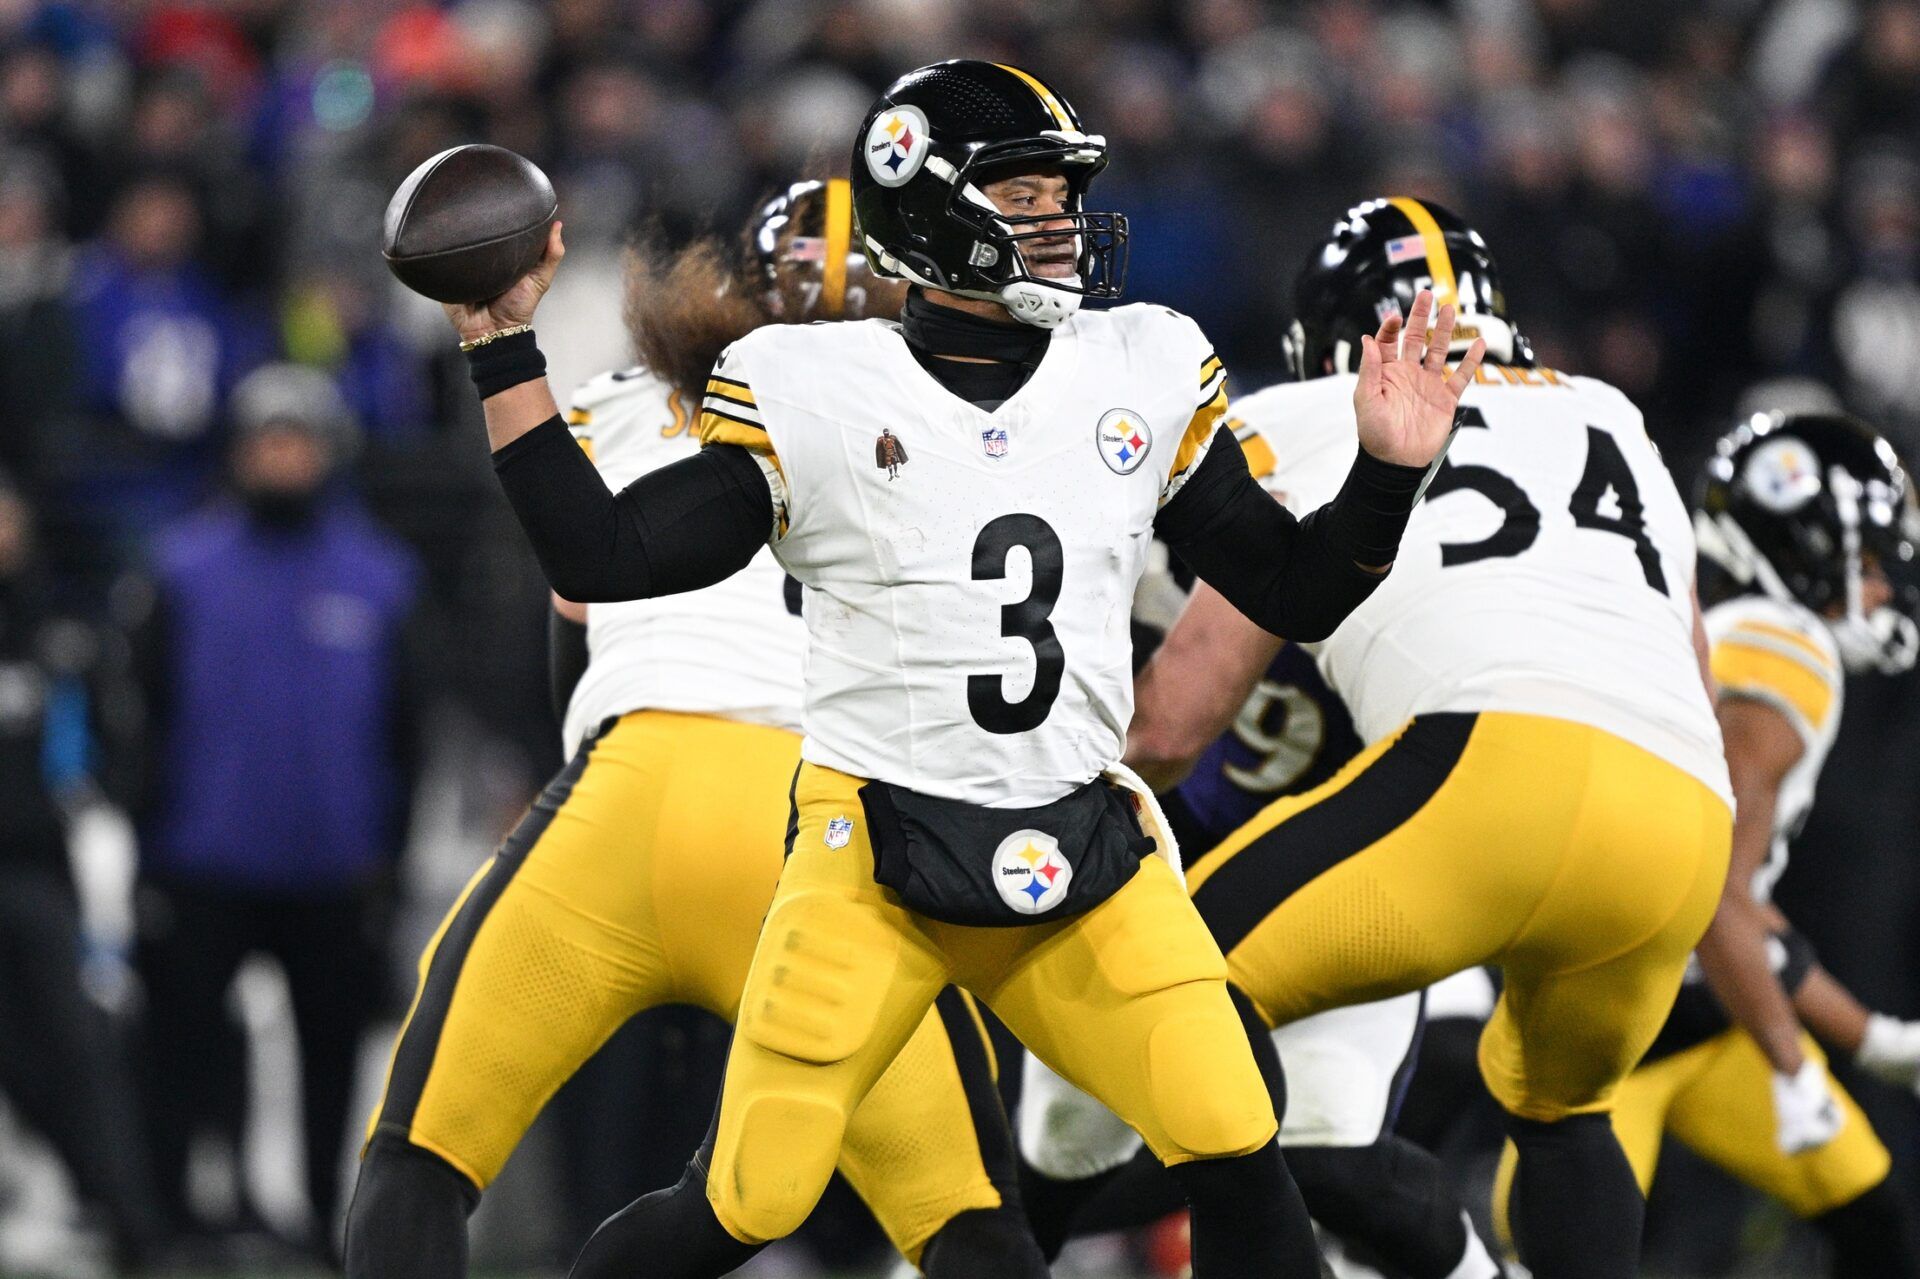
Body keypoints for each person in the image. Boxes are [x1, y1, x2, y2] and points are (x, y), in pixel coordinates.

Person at [447, 59, 1477, 1278]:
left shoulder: (1136, 365)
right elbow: (605, 553)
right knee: (752, 1193)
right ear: (929, 210)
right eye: (1024, 193)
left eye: (1061, 192)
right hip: (876, 851)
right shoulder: (814, 385)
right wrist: (505, 348)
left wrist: (1386, 471)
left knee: (1233, 1124)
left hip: (1084, 841)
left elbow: (1295, 588)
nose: (1059, 220)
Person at [345, 178, 1050, 1279]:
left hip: (628, 788)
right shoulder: (963, 427)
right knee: (971, 1217)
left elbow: (571, 620)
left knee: (418, 1156)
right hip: (823, 830)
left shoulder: (629, 397)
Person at [1028, 198, 1734, 1279]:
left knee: (1169, 993)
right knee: (1564, 1113)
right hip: (1682, 825)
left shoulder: (1318, 409)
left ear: (1339, 339)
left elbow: (1174, 719)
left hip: (1490, 777)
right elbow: (1693, 680)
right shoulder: (1614, 416)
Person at [1016, 411, 1501, 1279]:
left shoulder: (1427, 552)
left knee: (1319, 1150)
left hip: (1354, 867)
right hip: (1188, 865)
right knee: (1077, 1156)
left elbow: (1163, 736)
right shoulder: (1145, 509)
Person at [1487, 410, 1920, 1275]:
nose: (1882, 589)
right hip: (1610, 1033)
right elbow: (1715, 892)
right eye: (1867, 563)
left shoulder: (1731, 636)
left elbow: (1745, 919)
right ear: (1804, 544)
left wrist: (1870, 1036)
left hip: (1697, 1014)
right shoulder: (1787, 658)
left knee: (1870, 1216)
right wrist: (1796, 1068)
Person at [132, 364, 422, 1254]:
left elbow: (408, 734)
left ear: (328, 453)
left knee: (332, 1058)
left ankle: (324, 1215)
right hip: (204, 858)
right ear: (241, 451)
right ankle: (173, 1215)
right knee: (180, 1046)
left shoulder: (383, 577)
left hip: (333, 866)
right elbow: (142, 718)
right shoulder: (181, 568)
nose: (284, 458)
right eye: (268, 441)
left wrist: (390, 859)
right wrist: (149, 850)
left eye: (299, 442)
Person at [0, 471, 161, 1270]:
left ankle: (128, 1219)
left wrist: (101, 814)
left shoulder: (58, 632)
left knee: (78, 1049)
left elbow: (110, 746)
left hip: (38, 867)